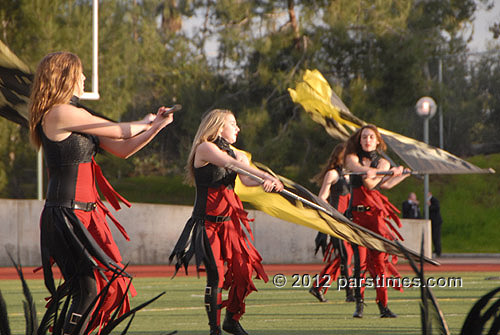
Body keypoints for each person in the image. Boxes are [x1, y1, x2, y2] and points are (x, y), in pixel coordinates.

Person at [29, 51, 174, 334]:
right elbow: (121, 131)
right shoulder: (60, 112)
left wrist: (155, 127)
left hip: (80, 215)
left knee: (92, 288)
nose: (84, 78)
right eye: (80, 73)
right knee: (89, 289)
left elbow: (122, 149)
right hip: (67, 215)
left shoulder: (77, 115)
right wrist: (146, 122)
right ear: (66, 76)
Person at [169, 109, 283, 335]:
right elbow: (229, 164)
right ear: (219, 126)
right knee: (217, 276)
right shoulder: (205, 148)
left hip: (229, 224)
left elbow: (248, 179)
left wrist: (269, 181)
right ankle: (214, 330)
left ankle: (231, 319)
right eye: (233, 123)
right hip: (207, 223)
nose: (238, 128)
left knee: (243, 271)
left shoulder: (237, 154)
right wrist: (266, 176)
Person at [344, 124, 410, 318]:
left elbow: (381, 184)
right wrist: (375, 172)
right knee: (360, 263)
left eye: (371, 137)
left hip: (375, 217)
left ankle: (383, 305)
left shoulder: (382, 162)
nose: (367, 140)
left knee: (380, 262)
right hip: (356, 217)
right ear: (360, 139)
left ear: (377, 141)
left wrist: (399, 175)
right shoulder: (352, 157)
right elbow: (363, 175)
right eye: (364, 137)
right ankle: (359, 304)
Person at [309, 142, 354, 303]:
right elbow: (322, 198)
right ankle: (349, 293)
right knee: (345, 256)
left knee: (343, 258)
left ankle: (318, 287)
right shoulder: (333, 174)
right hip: (336, 221)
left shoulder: (352, 174)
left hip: (349, 222)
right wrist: (333, 214)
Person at [428, 192, 443, 257]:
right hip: (433, 221)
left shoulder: (434, 200)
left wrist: (430, 206)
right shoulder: (430, 200)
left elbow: (436, 208)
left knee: (436, 236)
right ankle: (436, 249)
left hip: (436, 222)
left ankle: (438, 251)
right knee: (433, 237)